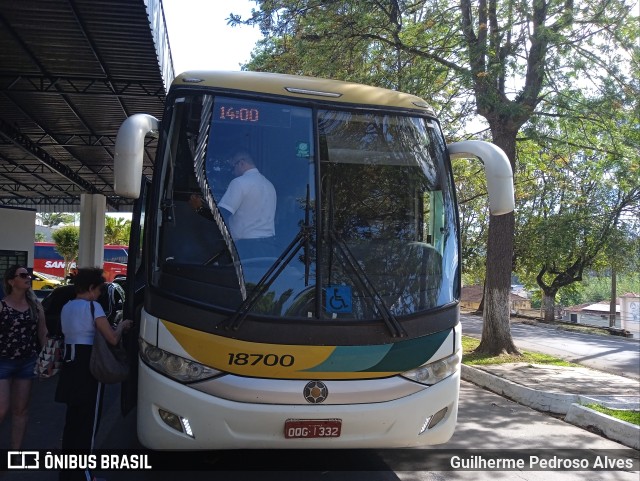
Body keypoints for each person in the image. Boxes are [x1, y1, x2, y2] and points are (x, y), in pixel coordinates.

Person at [55, 267, 131, 481]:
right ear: (90, 288)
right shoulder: (93, 308)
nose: (99, 294)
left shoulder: (67, 307)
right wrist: (123, 325)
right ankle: (85, 475)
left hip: (69, 366)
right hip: (89, 367)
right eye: (98, 290)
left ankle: (67, 474)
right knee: (88, 424)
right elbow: (112, 339)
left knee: (72, 422)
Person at [189, 150, 278, 258]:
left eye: (233, 167)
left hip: (247, 247)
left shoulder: (239, 182)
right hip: (269, 246)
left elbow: (221, 215)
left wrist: (199, 208)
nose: (232, 172)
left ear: (241, 163)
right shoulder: (269, 185)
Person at [0, 265, 47, 449]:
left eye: (29, 275)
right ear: (12, 281)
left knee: (21, 410)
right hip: (3, 361)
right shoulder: (2, 306)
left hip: (27, 361)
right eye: (23, 275)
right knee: (2, 409)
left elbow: (43, 332)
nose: (28, 278)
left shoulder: (35, 306)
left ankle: (15, 452)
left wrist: (46, 358)